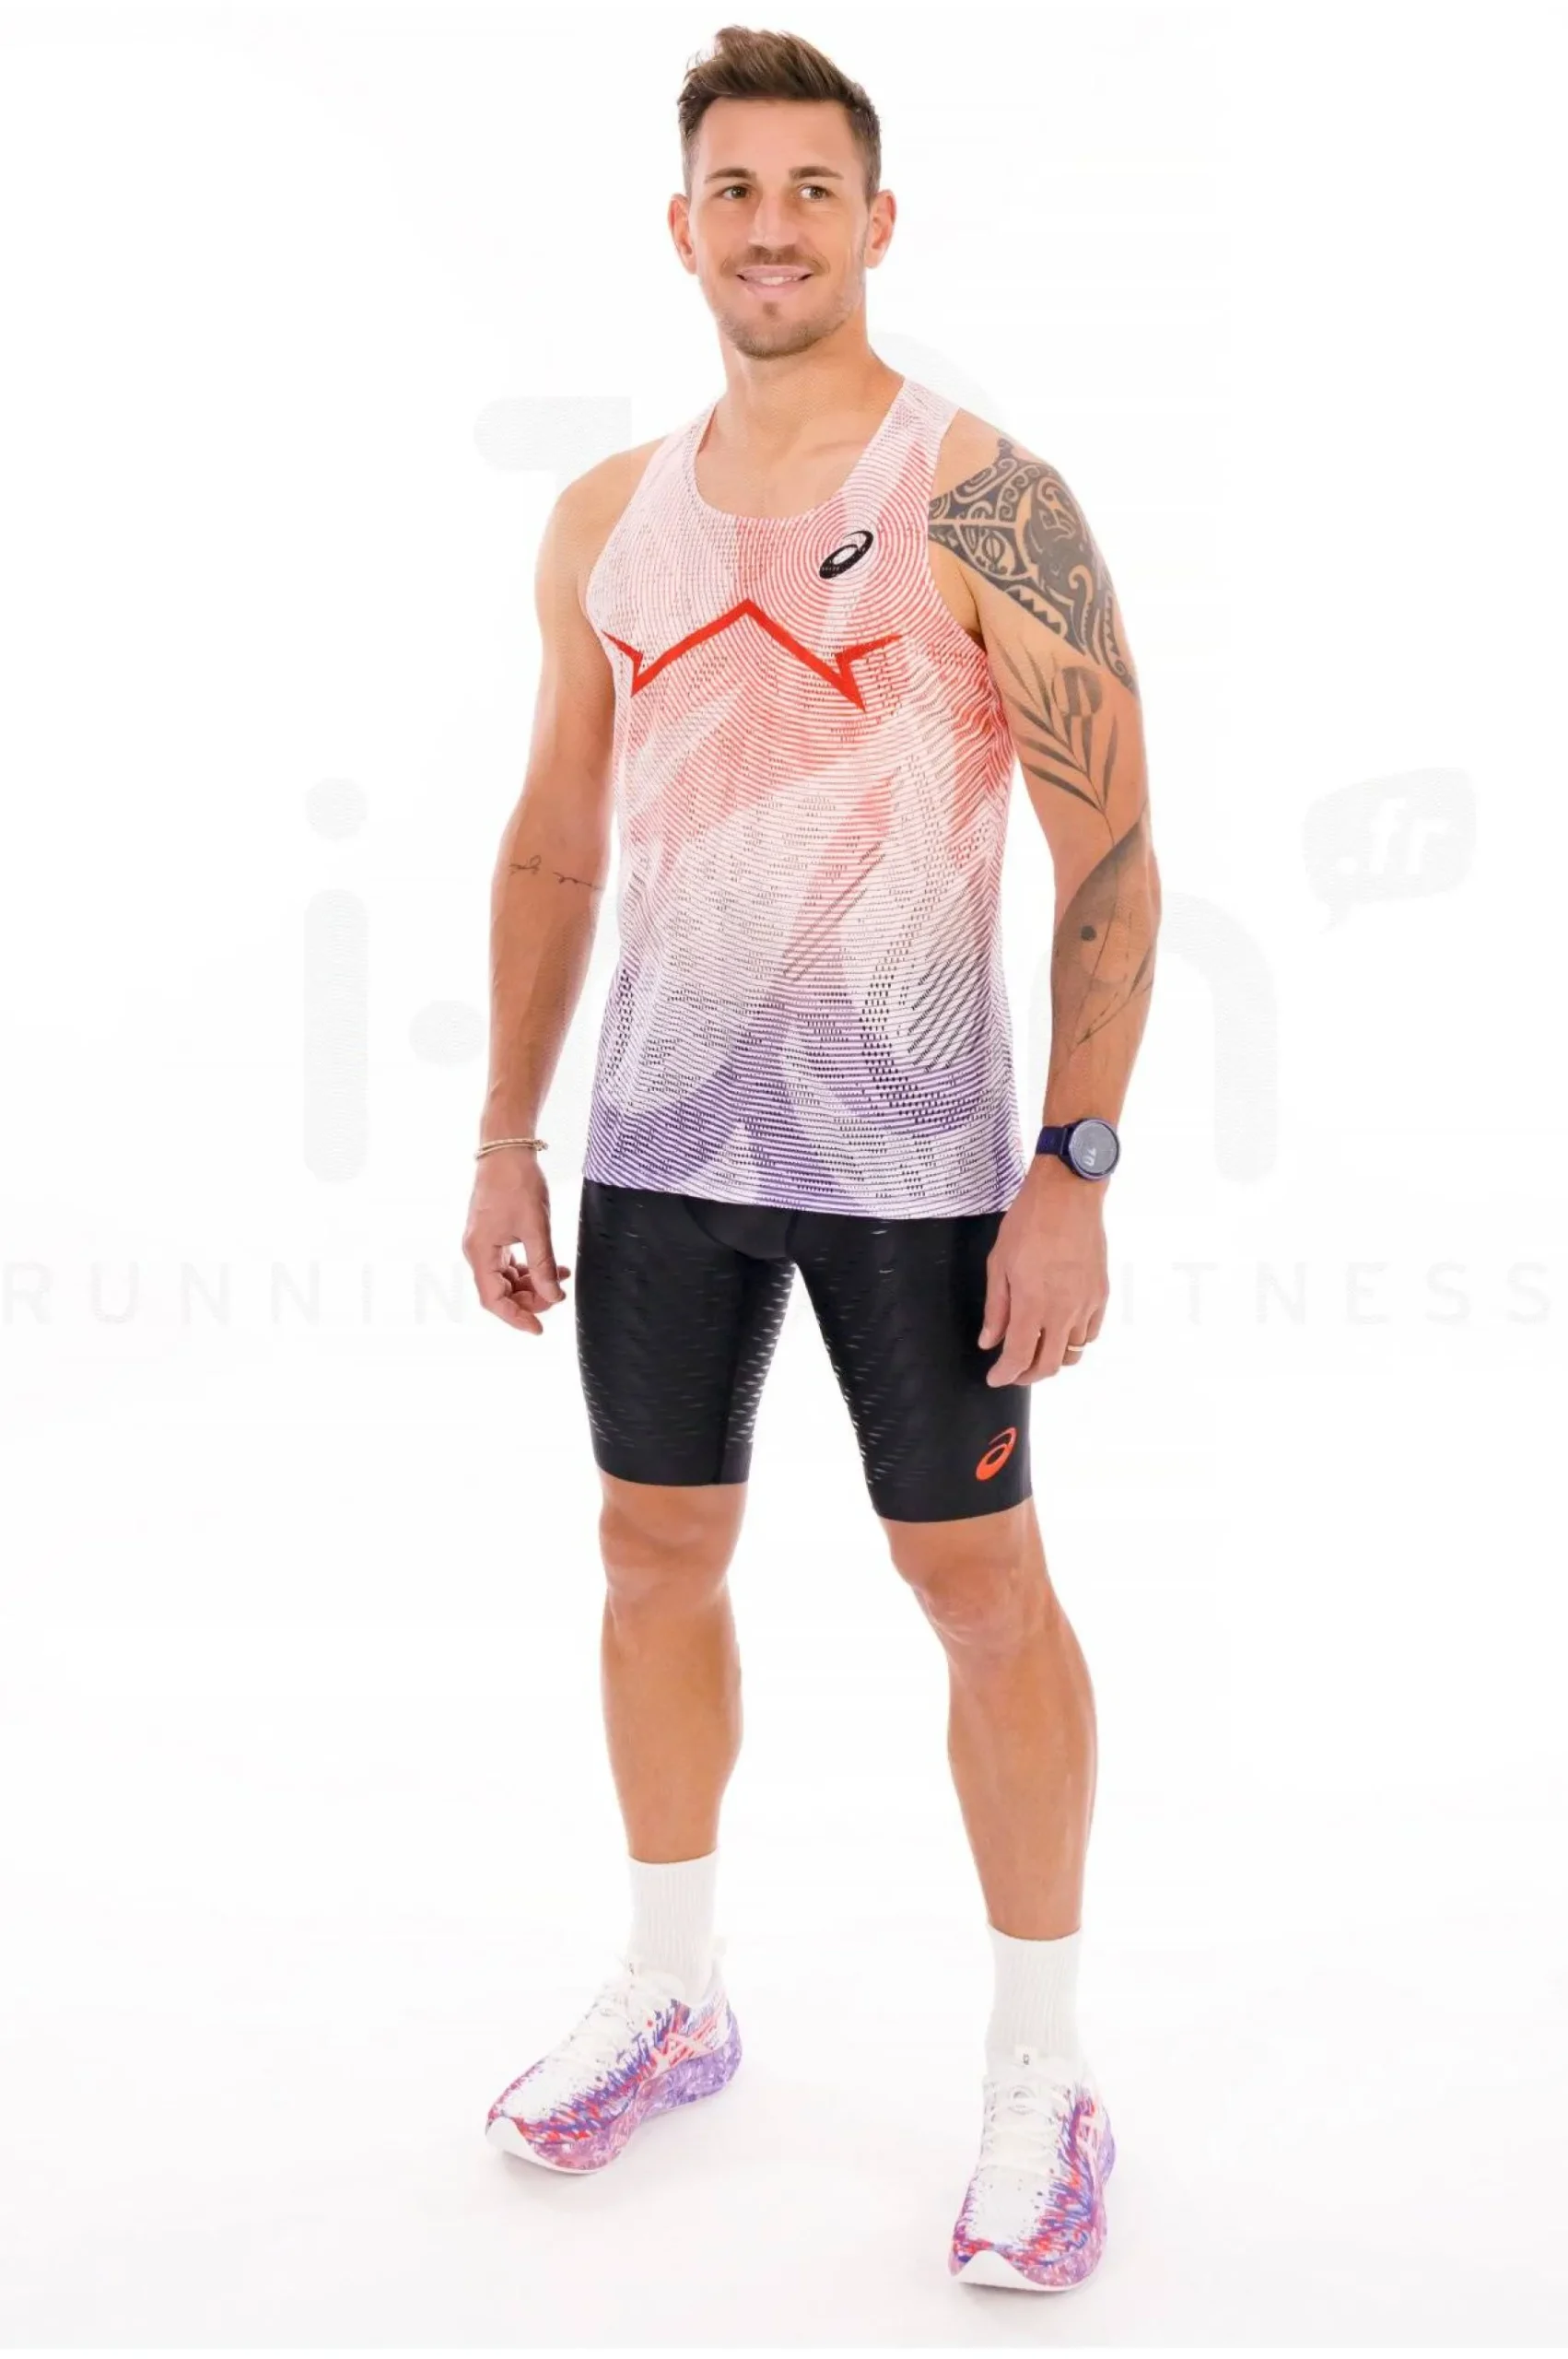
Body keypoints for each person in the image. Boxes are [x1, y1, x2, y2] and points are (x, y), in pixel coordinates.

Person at [462, 23, 1159, 2295]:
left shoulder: (984, 496)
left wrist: (1070, 1164)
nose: (771, 228)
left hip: (918, 1158)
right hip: (659, 1137)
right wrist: (504, 1132)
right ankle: (673, 1987)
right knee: (650, 1548)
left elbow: (1110, 847)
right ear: (681, 230)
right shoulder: (604, 516)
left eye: (810, 190)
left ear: (877, 221)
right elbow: (553, 838)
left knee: (976, 1588)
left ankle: (1042, 2070)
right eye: (733, 192)